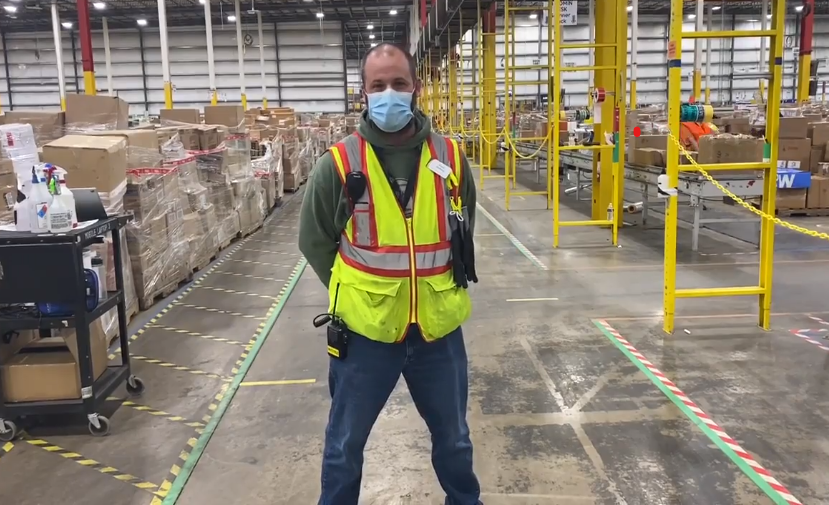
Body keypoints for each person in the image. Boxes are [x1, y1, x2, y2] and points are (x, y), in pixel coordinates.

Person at [298, 42, 482, 505]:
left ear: (415, 87)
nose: (390, 94)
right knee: (344, 447)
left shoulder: (450, 159)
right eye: (378, 86)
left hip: (438, 333)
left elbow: (464, 228)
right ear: (363, 92)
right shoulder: (339, 165)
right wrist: (357, 291)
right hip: (366, 336)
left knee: (456, 443)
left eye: (399, 84)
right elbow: (315, 241)